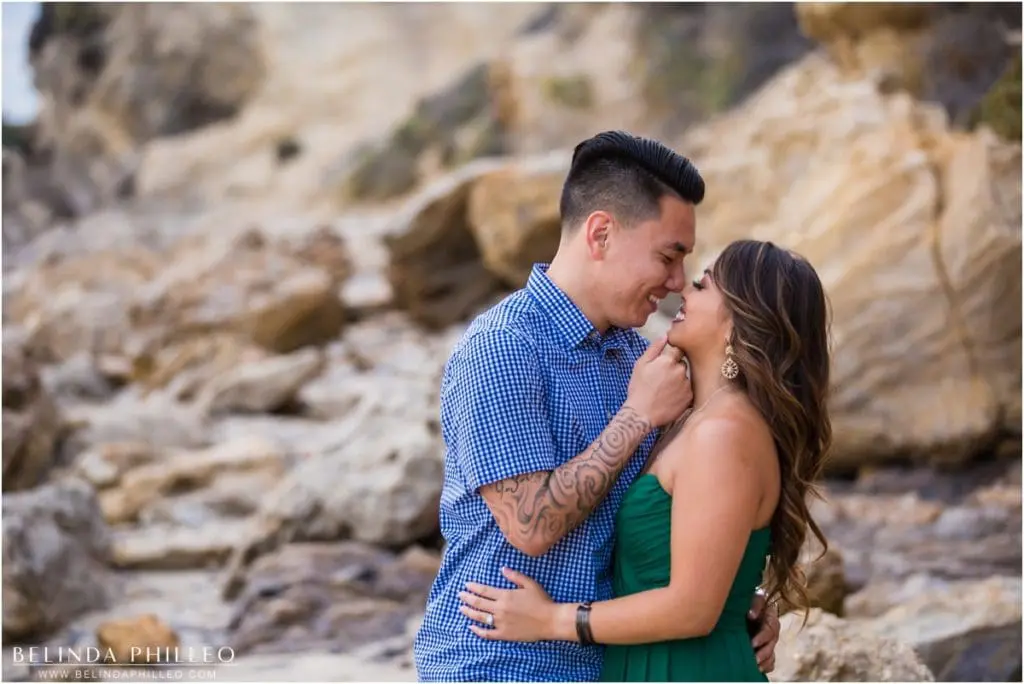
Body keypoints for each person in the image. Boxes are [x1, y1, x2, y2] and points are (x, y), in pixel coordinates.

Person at [413, 131, 781, 682]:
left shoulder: (643, 359)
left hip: (609, 663)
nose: (677, 282)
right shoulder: (503, 348)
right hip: (500, 663)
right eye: (668, 256)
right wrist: (636, 418)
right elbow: (530, 525)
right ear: (601, 233)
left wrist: (740, 595)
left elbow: (690, 505)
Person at [456, 239, 832, 682]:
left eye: (701, 285)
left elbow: (692, 609)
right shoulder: (684, 412)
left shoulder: (724, 434)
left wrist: (551, 621)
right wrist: (747, 595)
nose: (682, 292)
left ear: (737, 324)